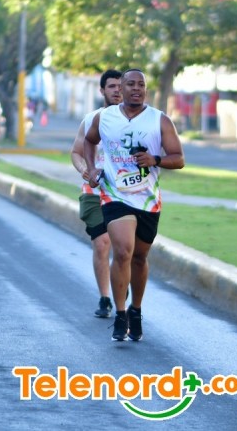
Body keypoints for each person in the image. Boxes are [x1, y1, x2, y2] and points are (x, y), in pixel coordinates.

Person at [83, 68, 185, 342]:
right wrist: (92, 169)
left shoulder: (159, 120)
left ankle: (135, 310)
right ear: (121, 88)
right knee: (123, 251)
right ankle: (120, 314)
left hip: (147, 198)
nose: (136, 88)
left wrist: (155, 160)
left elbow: (178, 158)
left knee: (139, 258)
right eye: (131, 84)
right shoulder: (105, 117)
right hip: (115, 194)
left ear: (146, 90)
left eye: (141, 84)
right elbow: (89, 141)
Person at [70, 69, 122, 318]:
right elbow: (76, 152)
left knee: (123, 249)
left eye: (120, 86)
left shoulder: (135, 122)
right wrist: (85, 170)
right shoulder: (91, 119)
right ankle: (105, 298)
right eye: (112, 86)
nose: (117, 90)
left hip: (124, 194)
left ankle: (123, 292)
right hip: (94, 192)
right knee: (101, 244)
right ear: (102, 90)